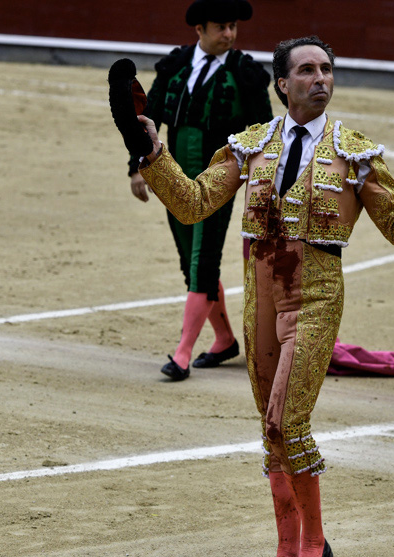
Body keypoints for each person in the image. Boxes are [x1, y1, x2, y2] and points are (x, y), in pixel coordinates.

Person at [128, 36, 394, 557]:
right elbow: (194, 202)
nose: (321, 79)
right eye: (308, 70)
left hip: (314, 297)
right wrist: (153, 153)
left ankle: (315, 546)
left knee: (286, 421)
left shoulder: (355, 151)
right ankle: (286, 550)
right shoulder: (251, 145)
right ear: (282, 85)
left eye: (328, 70)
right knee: (270, 430)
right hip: (260, 298)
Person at [127, 0, 273, 381]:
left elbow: (265, 132)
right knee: (187, 262)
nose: (229, 34)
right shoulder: (175, 65)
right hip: (173, 178)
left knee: (201, 261)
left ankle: (182, 354)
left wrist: (259, 184)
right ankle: (224, 339)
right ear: (200, 30)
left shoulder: (245, 72)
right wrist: (138, 169)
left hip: (219, 180)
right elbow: (148, 118)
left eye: (233, 27)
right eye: (221, 27)